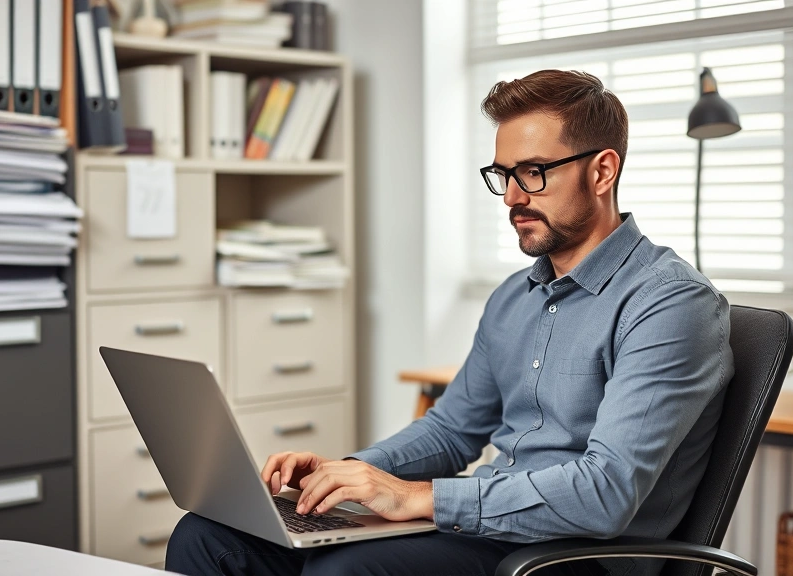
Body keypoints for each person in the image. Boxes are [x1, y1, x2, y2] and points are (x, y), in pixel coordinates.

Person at [165, 70, 735, 576]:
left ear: (603, 171)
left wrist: (418, 498)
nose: (512, 196)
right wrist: (354, 472)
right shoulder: (516, 296)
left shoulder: (671, 303)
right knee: (208, 538)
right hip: (493, 530)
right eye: (503, 174)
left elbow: (606, 494)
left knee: (349, 568)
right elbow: (452, 431)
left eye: (534, 172)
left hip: (576, 556)